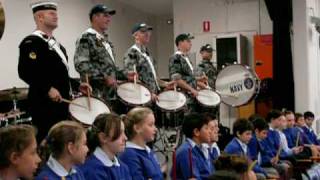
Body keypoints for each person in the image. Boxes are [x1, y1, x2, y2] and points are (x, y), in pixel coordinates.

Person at [18, 1, 90, 142]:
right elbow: (25, 71)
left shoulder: (58, 47)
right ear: (40, 17)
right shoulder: (31, 42)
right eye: (51, 13)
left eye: (56, 13)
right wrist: (47, 89)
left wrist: (77, 85)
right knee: (49, 145)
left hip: (61, 105)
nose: (56, 16)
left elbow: (60, 76)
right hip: (44, 106)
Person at [74, 4, 134, 113]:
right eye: (105, 16)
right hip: (95, 94)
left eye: (109, 16)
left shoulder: (105, 41)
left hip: (110, 95)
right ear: (95, 17)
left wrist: (125, 74)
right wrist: (104, 76)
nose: (109, 19)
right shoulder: (87, 37)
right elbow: (81, 64)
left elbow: (110, 68)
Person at [124, 22, 175, 102]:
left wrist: (165, 84)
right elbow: (133, 79)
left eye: (148, 31)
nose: (147, 34)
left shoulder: (147, 54)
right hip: (142, 98)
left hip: (154, 96)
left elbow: (153, 78)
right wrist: (148, 93)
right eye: (143, 31)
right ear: (135, 35)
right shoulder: (132, 53)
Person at [81, 113, 131, 180]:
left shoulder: (123, 167)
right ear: (103, 137)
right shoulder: (93, 170)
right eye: (119, 133)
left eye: (124, 132)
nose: (125, 138)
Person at [119, 107, 163, 179]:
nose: (155, 129)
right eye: (151, 125)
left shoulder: (147, 150)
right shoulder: (129, 155)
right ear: (137, 128)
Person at [172, 113, 214, 179]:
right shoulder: (186, 152)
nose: (210, 131)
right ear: (196, 132)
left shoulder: (202, 149)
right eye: (206, 128)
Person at [169, 33, 204, 113]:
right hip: (184, 98)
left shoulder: (185, 58)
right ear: (180, 43)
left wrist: (199, 79)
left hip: (191, 97)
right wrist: (191, 89)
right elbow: (177, 79)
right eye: (188, 41)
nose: (190, 43)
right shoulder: (176, 58)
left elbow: (188, 78)